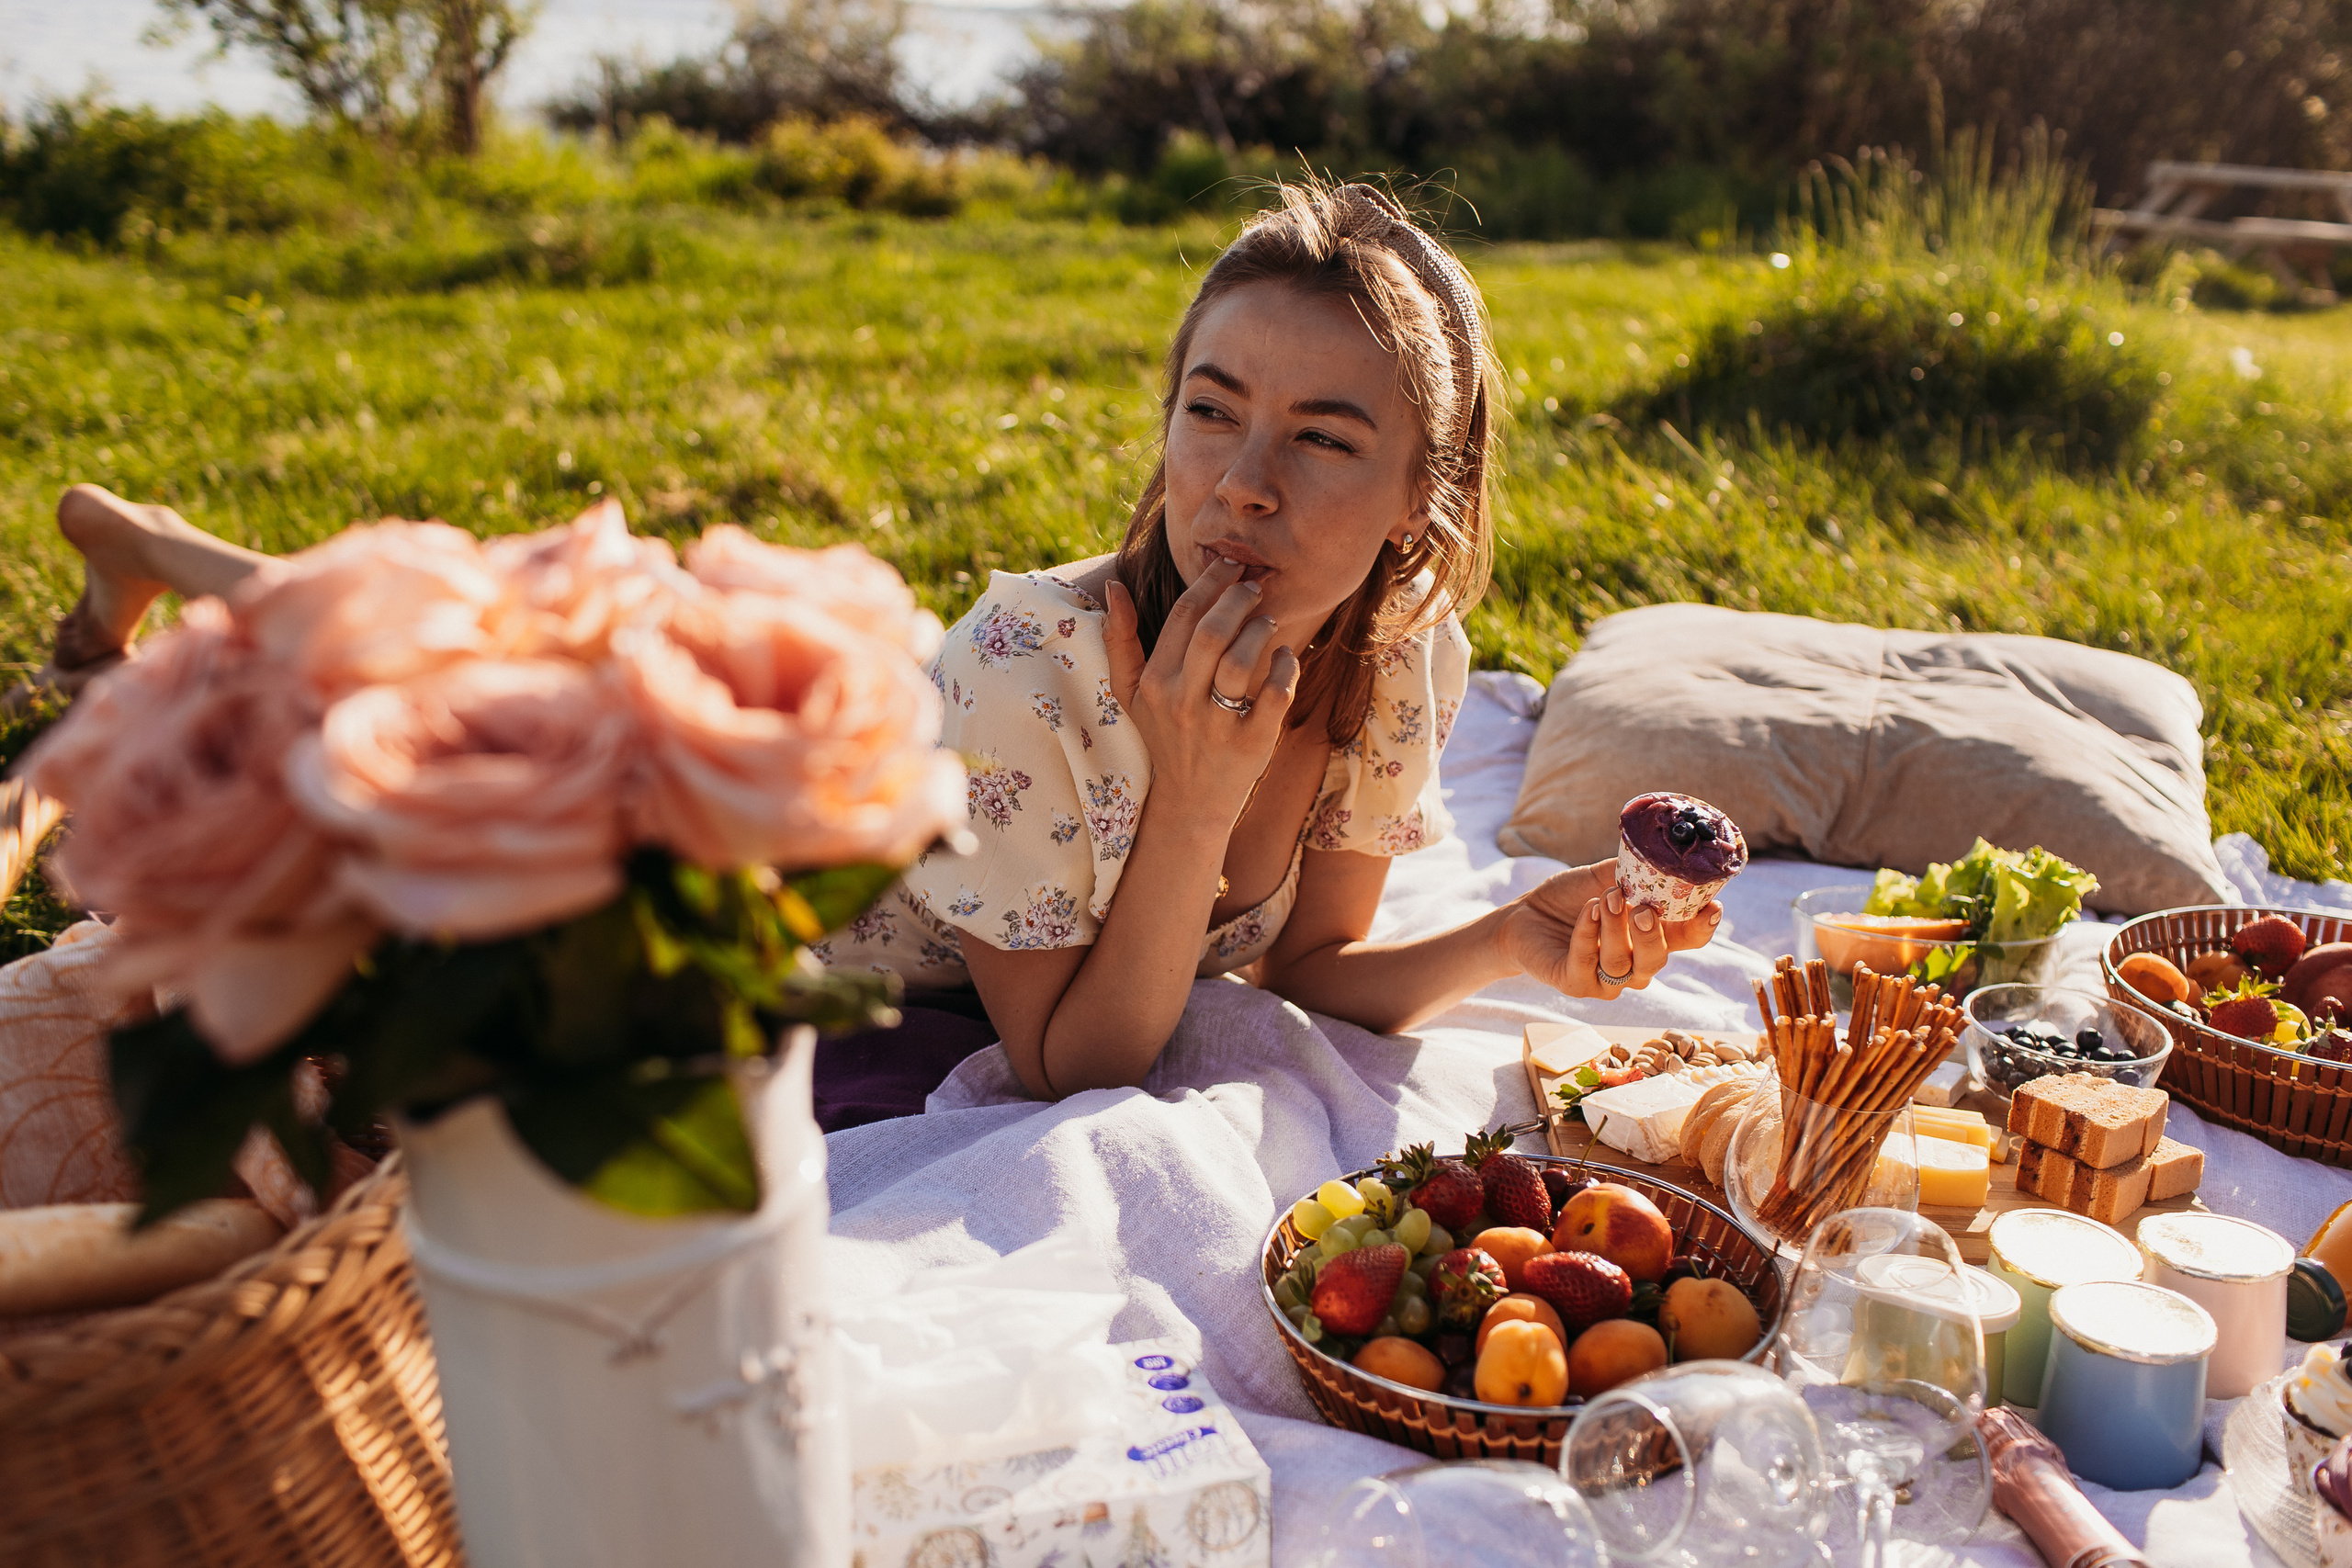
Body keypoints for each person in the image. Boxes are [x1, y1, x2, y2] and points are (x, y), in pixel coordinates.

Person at [40, 182, 1722, 1129]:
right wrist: (1194, 806)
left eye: (1322, 438)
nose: (1244, 485)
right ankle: (149, 553)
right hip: (744, 838)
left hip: (881, 792)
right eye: (1211, 414)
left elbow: (1302, 975)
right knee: (458, 683)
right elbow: (1078, 1062)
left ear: (1420, 499)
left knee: (487, 651)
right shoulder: (1036, 665)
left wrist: (1512, 936)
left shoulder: (1404, 663)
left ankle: (155, 549)